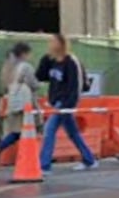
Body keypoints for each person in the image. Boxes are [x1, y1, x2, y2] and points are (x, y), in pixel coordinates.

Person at [35, 34, 97, 172]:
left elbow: (76, 84)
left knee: (49, 129)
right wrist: (45, 60)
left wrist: (68, 104)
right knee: (72, 132)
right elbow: (40, 76)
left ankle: (44, 165)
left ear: (61, 44)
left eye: (53, 42)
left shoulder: (71, 61)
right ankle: (89, 159)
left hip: (65, 102)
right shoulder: (51, 61)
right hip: (55, 100)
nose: (50, 44)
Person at [0, 42, 38, 166]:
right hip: (24, 102)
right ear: (24, 54)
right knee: (24, 131)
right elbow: (34, 84)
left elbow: (5, 83)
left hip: (12, 101)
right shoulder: (25, 67)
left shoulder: (8, 67)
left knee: (18, 130)